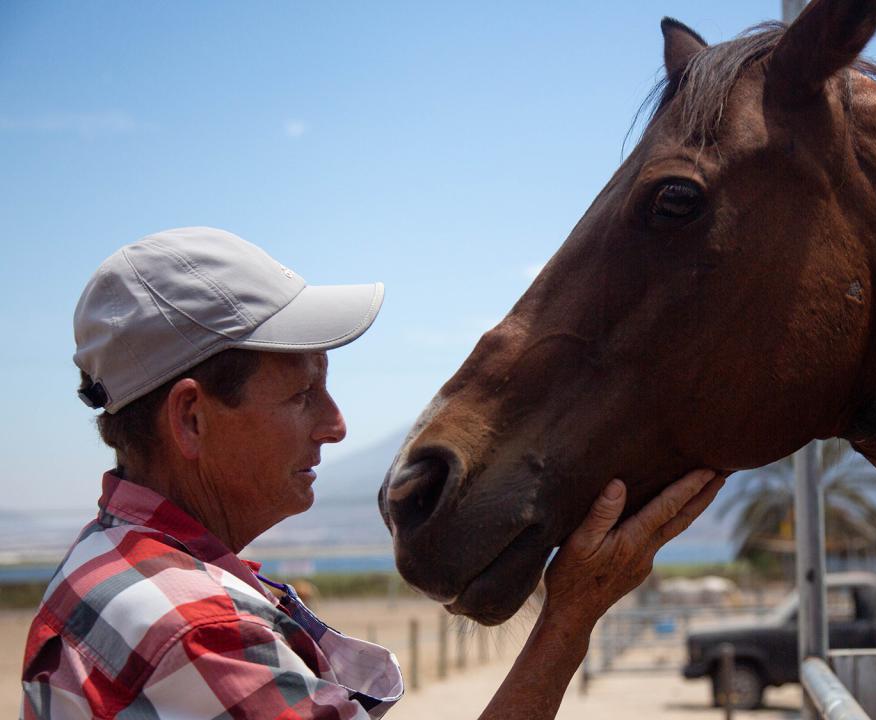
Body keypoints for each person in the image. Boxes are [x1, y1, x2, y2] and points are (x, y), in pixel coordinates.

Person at [20, 227, 725, 719]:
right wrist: (570, 618)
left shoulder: (98, 565)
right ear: (191, 420)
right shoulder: (197, 628)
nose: (336, 425)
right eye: (302, 395)